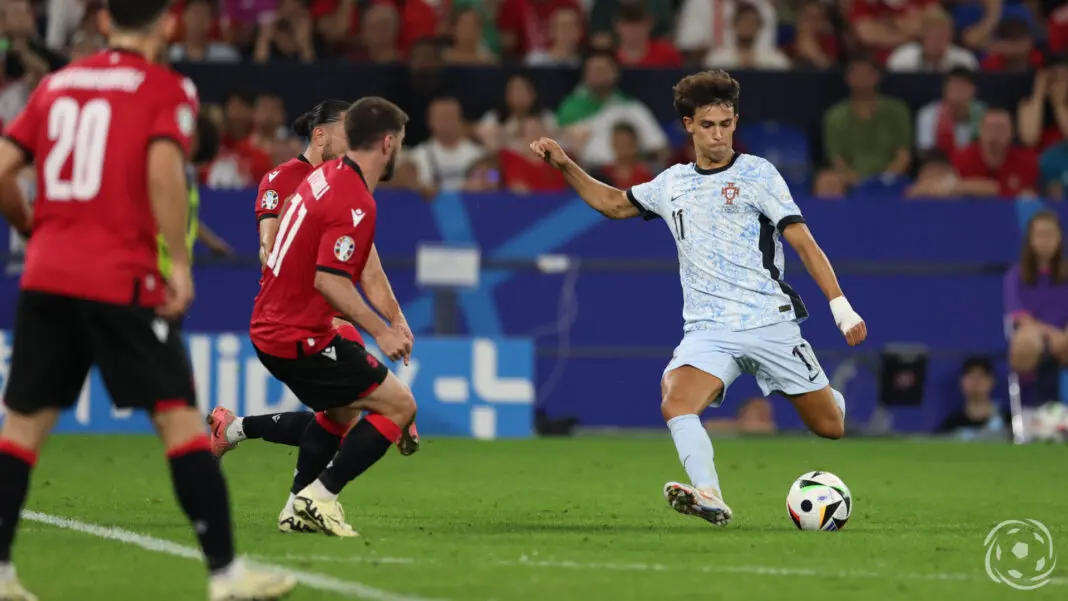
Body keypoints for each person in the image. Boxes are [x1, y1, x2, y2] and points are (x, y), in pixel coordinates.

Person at [0, 1, 296, 599]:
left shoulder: (57, 85)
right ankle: (227, 575)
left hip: (47, 276)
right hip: (121, 279)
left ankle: (2, 573)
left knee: (23, 428)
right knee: (179, 421)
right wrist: (179, 266)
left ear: (104, 23)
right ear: (167, 25)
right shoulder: (166, 88)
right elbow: (165, 172)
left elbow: (4, 168)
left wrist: (35, 230)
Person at [530, 70, 866, 527]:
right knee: (674, 399)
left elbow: (803, 242)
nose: (719, 134)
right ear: (689, 125)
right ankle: (709, 494)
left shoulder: (758, 173)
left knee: (830, 427)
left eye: (726, 124)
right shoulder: (672, 184)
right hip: (709, 330)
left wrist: (840, 307)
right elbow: (614, 204)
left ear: (735, 122)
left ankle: (827, 394)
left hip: (768, 321)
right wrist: (567, 165)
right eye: (708, 125)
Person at [208, 99, 417, 533]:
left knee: (341, 415)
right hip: (297, 334)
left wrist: (396, 319)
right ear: (387, 143)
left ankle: (294, 506)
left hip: (283, 327)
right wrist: (380, 332)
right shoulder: (351, 198)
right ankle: (319, 498)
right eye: (400, 144)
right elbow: (331, 282)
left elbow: (369, 270)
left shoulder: (328, 178)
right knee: (399, 406)